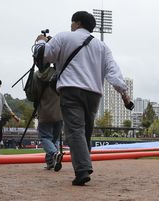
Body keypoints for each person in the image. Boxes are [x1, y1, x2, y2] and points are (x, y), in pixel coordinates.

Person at [33, 11, 132, 186]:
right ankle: (84, 165)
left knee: (75, 131)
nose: (71, 25)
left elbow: (43, 56)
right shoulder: (102, 47)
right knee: (85, 132)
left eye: (72, 22)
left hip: (71, 89)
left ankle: (82, 169)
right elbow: (113, 73)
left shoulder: (63, 37)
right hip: (94, 94)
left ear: (77, 23)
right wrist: (124, 93)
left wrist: (40, 41)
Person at [36, 66, 64, 171]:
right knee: (54, 138)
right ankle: (51, 162)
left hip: (44, 110)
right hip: (59, 110)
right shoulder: (61, 73)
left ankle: (54, 154)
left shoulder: (37, 75)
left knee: (45, 137)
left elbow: (32, 94)